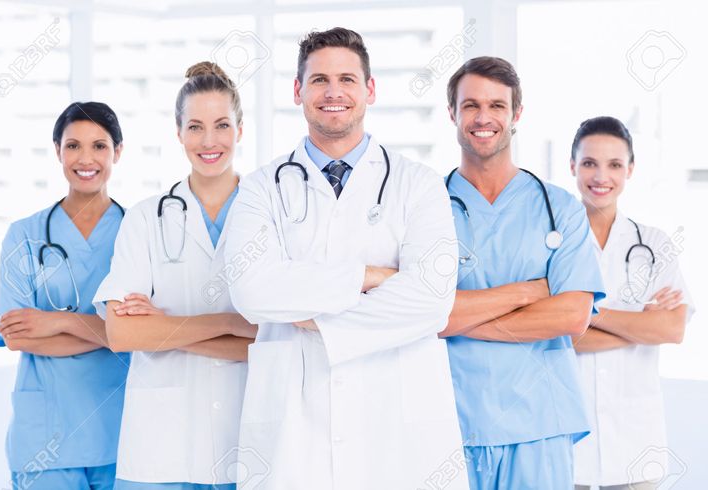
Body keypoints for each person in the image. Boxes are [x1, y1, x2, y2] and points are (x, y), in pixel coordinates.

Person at [224, 28, 467, 489]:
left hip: (394, 423)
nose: (333, 92)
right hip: (294, 430)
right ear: (298, 91)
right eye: (318, 80)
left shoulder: (417, 184)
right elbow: (252, 290)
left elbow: (433, 299)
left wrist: (317, 317)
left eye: (347, 79)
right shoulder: (262, 187)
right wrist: (369, 276)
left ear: (370, 89)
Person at [439, 56, 605, 490]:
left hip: (540, 424)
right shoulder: (426, 209)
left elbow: (571, 317)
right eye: (470, 104)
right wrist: (527, 293)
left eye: (497, 105)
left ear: (516, 115)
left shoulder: (560, 209)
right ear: (452, 113)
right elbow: (419, 313)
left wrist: (455, 319)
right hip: (450, 419)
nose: (483, 117)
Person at [92, 62, 256, 489]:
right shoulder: (147, 218)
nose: (209, 141)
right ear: (178, 132)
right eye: (195, 127)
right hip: (161, 454)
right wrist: (230, 324)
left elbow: (279, 338)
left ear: (241, 129)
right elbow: (122, 335)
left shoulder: (270, 214)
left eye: (221, 125)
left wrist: (163, 329)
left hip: (249, 443)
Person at [0, 101, 130, 489]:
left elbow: (147, 334)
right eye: (73, 146)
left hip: (122, 433)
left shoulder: (139, 233)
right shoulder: (24, 236)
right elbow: (16, 334)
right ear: (57, 151)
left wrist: (58, 321)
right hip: (45, 437)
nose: (85, 158)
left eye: (99, 146)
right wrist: (110, 333)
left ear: (117, 152)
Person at [569, 116, 694, 490]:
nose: (601, 176)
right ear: (572, 166)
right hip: (569, 446)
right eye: (589, 163)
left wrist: (586, 314)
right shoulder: (553, 244)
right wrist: (640, 324)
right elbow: (553, 335)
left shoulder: (653, 244)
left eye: (614, 165)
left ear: (631, 170)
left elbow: (672, 329)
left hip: (636, 447)